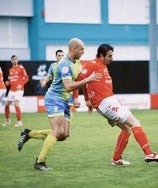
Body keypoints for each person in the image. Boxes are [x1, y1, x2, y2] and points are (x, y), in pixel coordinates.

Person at [17, 38, 102, 171]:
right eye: (82, 49)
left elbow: (79, 81)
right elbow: (69, 86)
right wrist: (88, 79)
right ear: (74, 49)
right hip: (54, 99)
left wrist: (85, 99)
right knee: (58, 131)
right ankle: (40, 162)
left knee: (64, 135)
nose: (84, 52)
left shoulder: (77, 62)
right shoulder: (64, 64)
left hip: (66, 101)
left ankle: (28, 133)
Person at [76, 44, 158, 165]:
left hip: (107, 102)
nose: (112, 58)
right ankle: (149, 154)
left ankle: (116, 159)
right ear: (101, 55)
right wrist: (80, 99)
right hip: (106, 103)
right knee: (135, 123)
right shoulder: (93, 64)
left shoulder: (103, 65)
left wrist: (88, 100)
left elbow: (86, 83)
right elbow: (78, 80)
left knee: (127, 129)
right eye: (109, 56)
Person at [3, 55, 29, 127]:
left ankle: (19, 122)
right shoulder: (10, 70)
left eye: (16, 59)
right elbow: (12, 80)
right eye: (13, 59)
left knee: (16, 104)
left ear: (18, 60)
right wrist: (8, 82)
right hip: (11, 90)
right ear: (11, 61)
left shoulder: (21, 68)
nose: (15, 60)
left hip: (19, 90)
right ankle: (8, 120)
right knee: (6, 105)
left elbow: (27, 78)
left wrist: (21, 84)